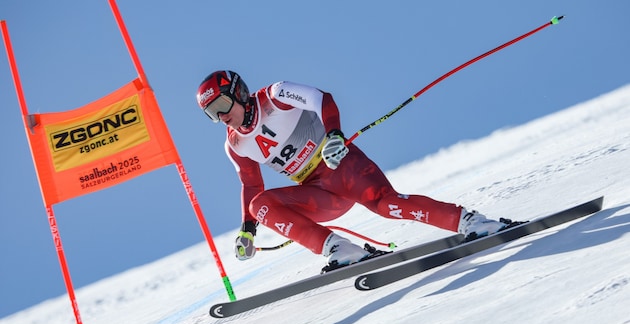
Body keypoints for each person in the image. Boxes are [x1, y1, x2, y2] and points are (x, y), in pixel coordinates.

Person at [196, 70, 509, 271]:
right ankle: (340, 250)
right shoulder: (235, 144)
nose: (221, 117)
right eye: (212, 114)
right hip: (316, 193)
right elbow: (251, 185)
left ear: (238, 92)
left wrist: (333, 134)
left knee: (387, 205)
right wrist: (248, 229)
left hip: (340, 165)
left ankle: (473, 221)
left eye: (221, 106)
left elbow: (321, 99)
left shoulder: (275, 95)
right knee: (259, 204)